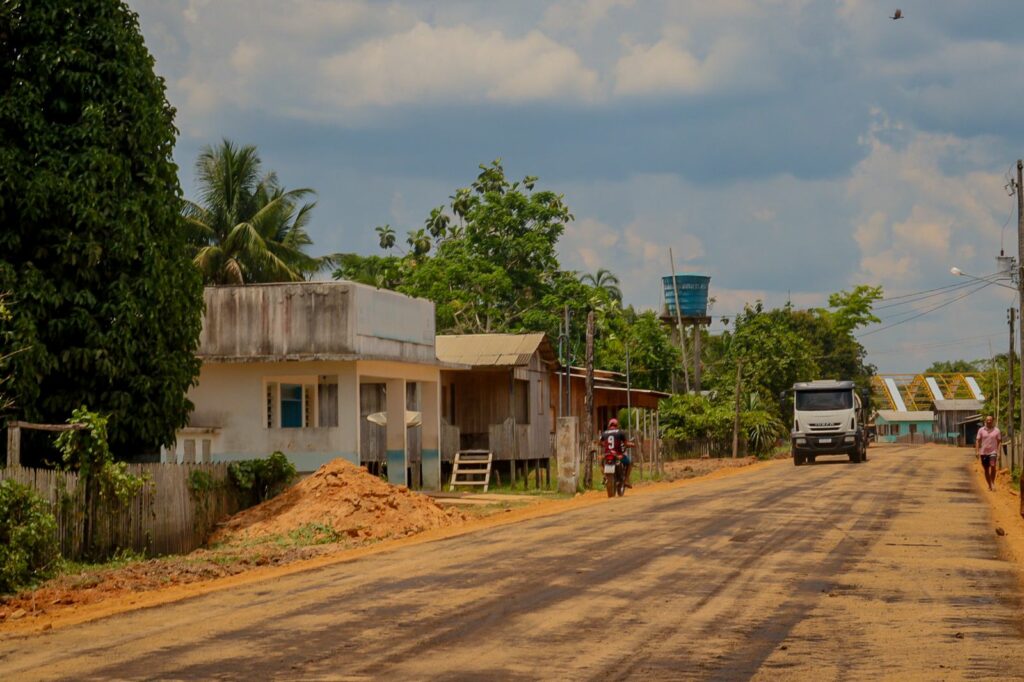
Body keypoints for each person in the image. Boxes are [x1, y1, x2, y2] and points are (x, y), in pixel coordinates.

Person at [600, 417, 635, 488]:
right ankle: (626, 480)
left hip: (607, 454)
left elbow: (600, 443)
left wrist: (605, 445)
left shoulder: (604, 433)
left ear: (609, 425)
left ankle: (604, 476)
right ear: (617, 425)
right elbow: (625, 444)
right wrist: (632, 444)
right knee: (629, 462)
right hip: (617, 455)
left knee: (601, 463)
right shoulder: (620, 432)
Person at [975, 415, 1001, 492]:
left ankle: (992, 483)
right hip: (983, 453)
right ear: (985, 421)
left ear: (993, 421)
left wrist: (998, 452)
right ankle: (989, 485)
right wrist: (977, 451)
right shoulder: (981, 430)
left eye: (990, 420)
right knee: (986, 469)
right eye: (987, 420)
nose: (989, 421)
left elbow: (999, 442)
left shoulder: (997, 430)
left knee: (993, 466)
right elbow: (977, 441)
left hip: (993, 452)